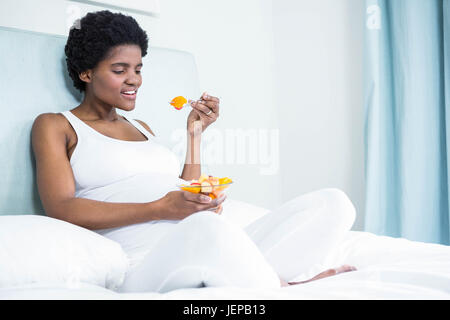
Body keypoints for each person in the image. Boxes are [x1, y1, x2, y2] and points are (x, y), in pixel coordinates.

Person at [31, 10, 356, 293]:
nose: (134, 80)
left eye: (138, 69)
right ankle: (282, 286)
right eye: (120, 70)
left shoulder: (142, 127)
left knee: (332, 204)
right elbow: (62, 208)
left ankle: (256, 274)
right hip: (146, 262)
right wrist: (160, 208)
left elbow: (181, 192)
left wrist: (195, 137)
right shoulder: (56, 125)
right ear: (86, 74)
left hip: (200, 237)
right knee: (207, 229)